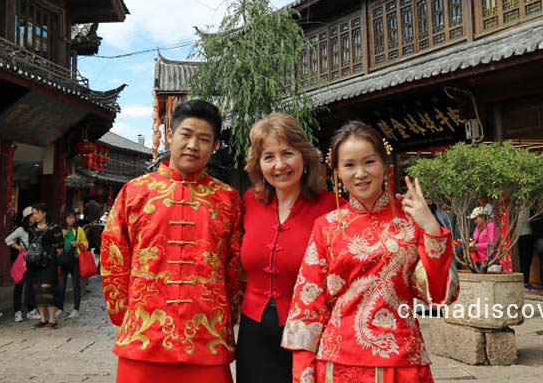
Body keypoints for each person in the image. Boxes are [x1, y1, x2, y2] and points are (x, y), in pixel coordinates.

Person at [281, 121, 458, 382]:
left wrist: (431, 227)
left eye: (369, 162)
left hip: (401, 361)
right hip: (337, 362)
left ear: (385, 165)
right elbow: (308, 305)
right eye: (349, 165)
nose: (360, 173)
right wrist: (303, 372)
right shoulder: (326, 227)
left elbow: (441, 295)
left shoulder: (411, 222)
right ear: (337, 172)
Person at [101, 99, 244, 382]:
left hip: (208, 338)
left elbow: (235, 265)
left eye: (204, 139)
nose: (193, 144)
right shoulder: (136, 192)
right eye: (186, 134)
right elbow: (114, 257)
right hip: (143, 338)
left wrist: (228, 316)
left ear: (215, 146)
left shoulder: (227, 199)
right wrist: (120, 319)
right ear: (170, 134)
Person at [237, 113, 342, 383]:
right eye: (268, 156)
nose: (279, 165)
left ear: (305, 157)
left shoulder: (333, 207)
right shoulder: (249, 201)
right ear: (258, 165)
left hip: (311, 335)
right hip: (252, 335)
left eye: (287, 153)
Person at [26, 202, 64, 328]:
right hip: (35, 263)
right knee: (37, 291)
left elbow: (60, 246)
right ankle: (43, 319)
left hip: (48, 264)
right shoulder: (32, 228)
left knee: (47, 290)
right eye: (33, 213)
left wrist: (50, 258)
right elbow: (31, 245)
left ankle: (52, 319)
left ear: (44, 213)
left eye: (37, 213)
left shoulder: (54, 227)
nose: (35, 216)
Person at [5, 206, 40, 322]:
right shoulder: (21, 230)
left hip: (34, 259)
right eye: (32, 215)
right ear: (27, 218)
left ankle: (31, 310)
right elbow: (8, 239)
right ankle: (17, 311)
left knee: (31, 286)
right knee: (19, 285)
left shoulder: (37, 228)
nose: (35, 217)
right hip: (24, 260)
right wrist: (17, 247)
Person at [56, 210, 88, 319]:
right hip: (63, 260)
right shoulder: (60, 230)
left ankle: (76, 309)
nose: (72, 220)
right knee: (61, 285)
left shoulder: (78, 230)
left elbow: (86, 243)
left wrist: (79, 243)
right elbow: (54, 244)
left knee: (76, 285)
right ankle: (60, 308)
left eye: (73, 218)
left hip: (75, 259)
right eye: (69, 218)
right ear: (65, 219)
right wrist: (62, 236)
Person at [518, 205, 535, 291]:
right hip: (527, 234)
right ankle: (525, 282)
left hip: (519, 235)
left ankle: (523, 281)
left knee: (523, 259)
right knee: (526, 259)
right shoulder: (527, 207)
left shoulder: (517, 207)